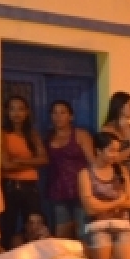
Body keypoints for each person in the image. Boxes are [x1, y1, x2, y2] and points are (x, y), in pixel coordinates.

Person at [77, 132, 130, 259]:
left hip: (122, 225)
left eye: (117, 151)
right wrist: (119, 201)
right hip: (97, 226)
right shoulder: (85, 174)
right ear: (98, 150)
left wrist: (100, 204)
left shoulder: (121, 171)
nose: (116, 155)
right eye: (112, 150)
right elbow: (90, 208)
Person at [0, 95, 48, 247]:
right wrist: (32, 163)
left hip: (31, 186)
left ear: (27, 112)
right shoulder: (2, 133)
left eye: (21, 109)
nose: (16, 113)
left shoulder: (32, 134)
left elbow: (44, 160)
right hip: (10, 186)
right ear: (6, 112)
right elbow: (6, 165)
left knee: (35, 226)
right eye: (12, 109)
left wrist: (18, 161)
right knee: (8, 226)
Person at [45, 100, 92, 239]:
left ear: (71, 116)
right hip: (58, 189)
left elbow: (92, 162)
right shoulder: (48, 137)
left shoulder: (80, 135)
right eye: (54, 113)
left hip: (80, 189)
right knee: (61, 234)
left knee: (83, 231)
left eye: (62, 112)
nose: (58, 116)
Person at [100, 91, 130, 183]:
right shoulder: (108, 129)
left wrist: (128, 129)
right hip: (118, 175)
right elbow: (114, 159)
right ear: (120, 107)